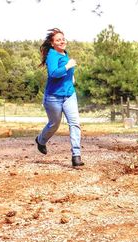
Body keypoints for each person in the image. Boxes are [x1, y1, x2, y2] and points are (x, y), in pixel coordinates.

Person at [35, 28, 84, 167]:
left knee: (74, 123)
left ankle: (76, 155)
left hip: (69, 95)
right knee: (54, 124)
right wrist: (68, 67)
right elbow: (54, 73)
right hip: (53, 97)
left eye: (63, 39)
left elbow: (65, 71)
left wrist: (71, 76)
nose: (62, 41)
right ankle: (41, 140)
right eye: (58, 40)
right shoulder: (52, 55)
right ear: (52, 43)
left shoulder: (64, 53)